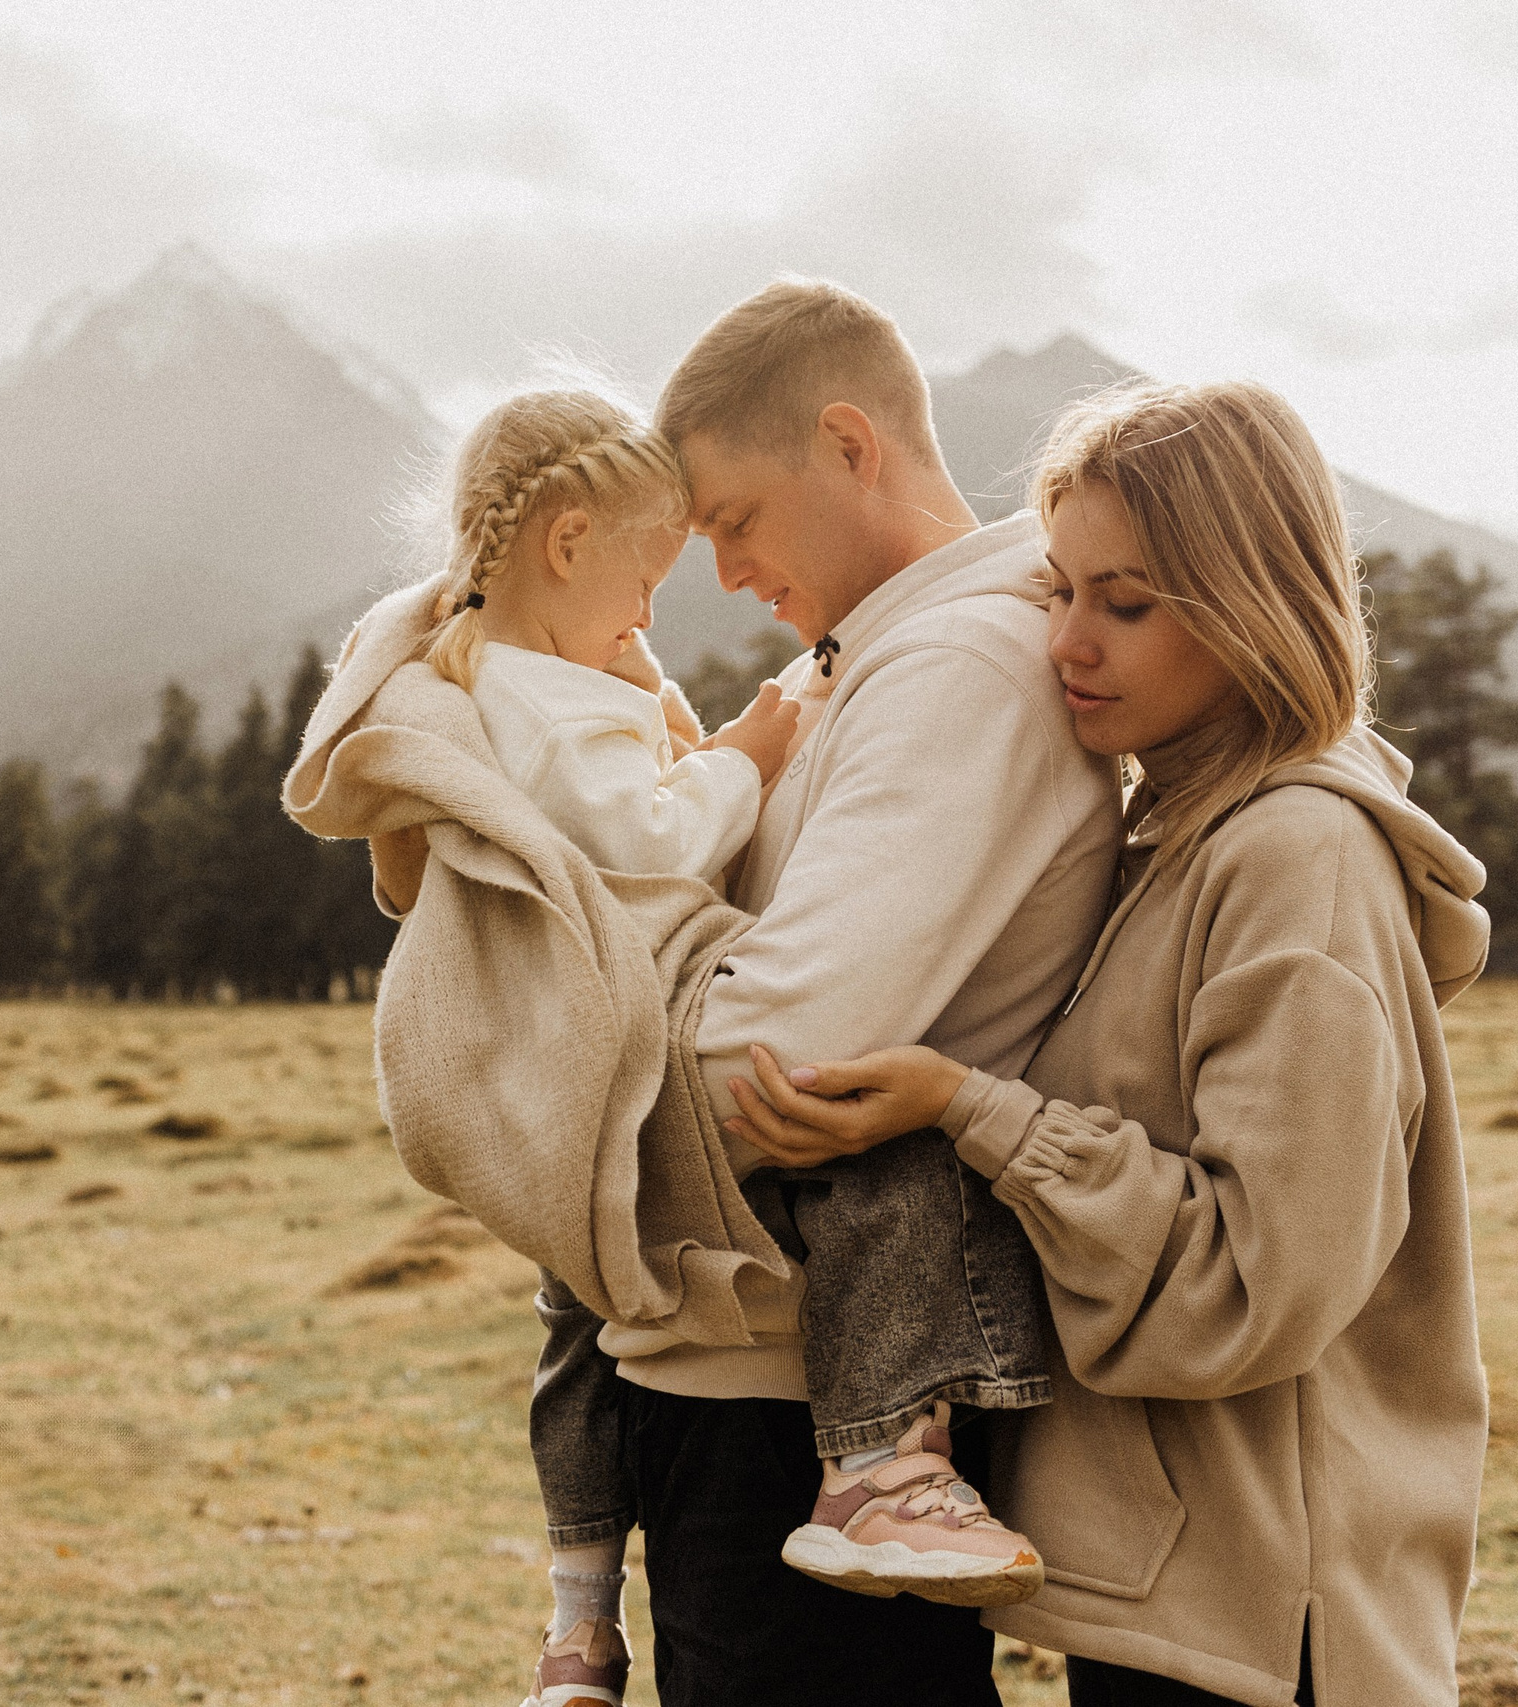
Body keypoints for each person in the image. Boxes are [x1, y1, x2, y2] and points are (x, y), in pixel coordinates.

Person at [721, 379, 1490, 1707]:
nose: (1068, 641)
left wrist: (970, 1110)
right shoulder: (1172, 837)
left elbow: (1254, 1282)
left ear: (1257, 600)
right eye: (1058, 592)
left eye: (1124, 603)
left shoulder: (1294, 860)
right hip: (1184, 1599)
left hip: (1274, 1628)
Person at [303, 384, 1071, 1707]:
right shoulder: (561, 696)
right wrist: (746, 752)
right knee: (891, 1156)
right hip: (658, 1031)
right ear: (568, 541)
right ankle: (883, 1462)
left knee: (575, 1334)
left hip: (611, 1124)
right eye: (655, 569)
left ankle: (577, 1617)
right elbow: (653, 844)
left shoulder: (480, 674)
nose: (667, 606)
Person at [548, 279, 1125, 1705]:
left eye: (733, 520)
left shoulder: (963, 670)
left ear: (850, 445)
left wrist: (557, 1067)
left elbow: (769, 1046)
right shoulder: (863, 666)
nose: (723, 573)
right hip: (758, 1359)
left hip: (811, 1391)